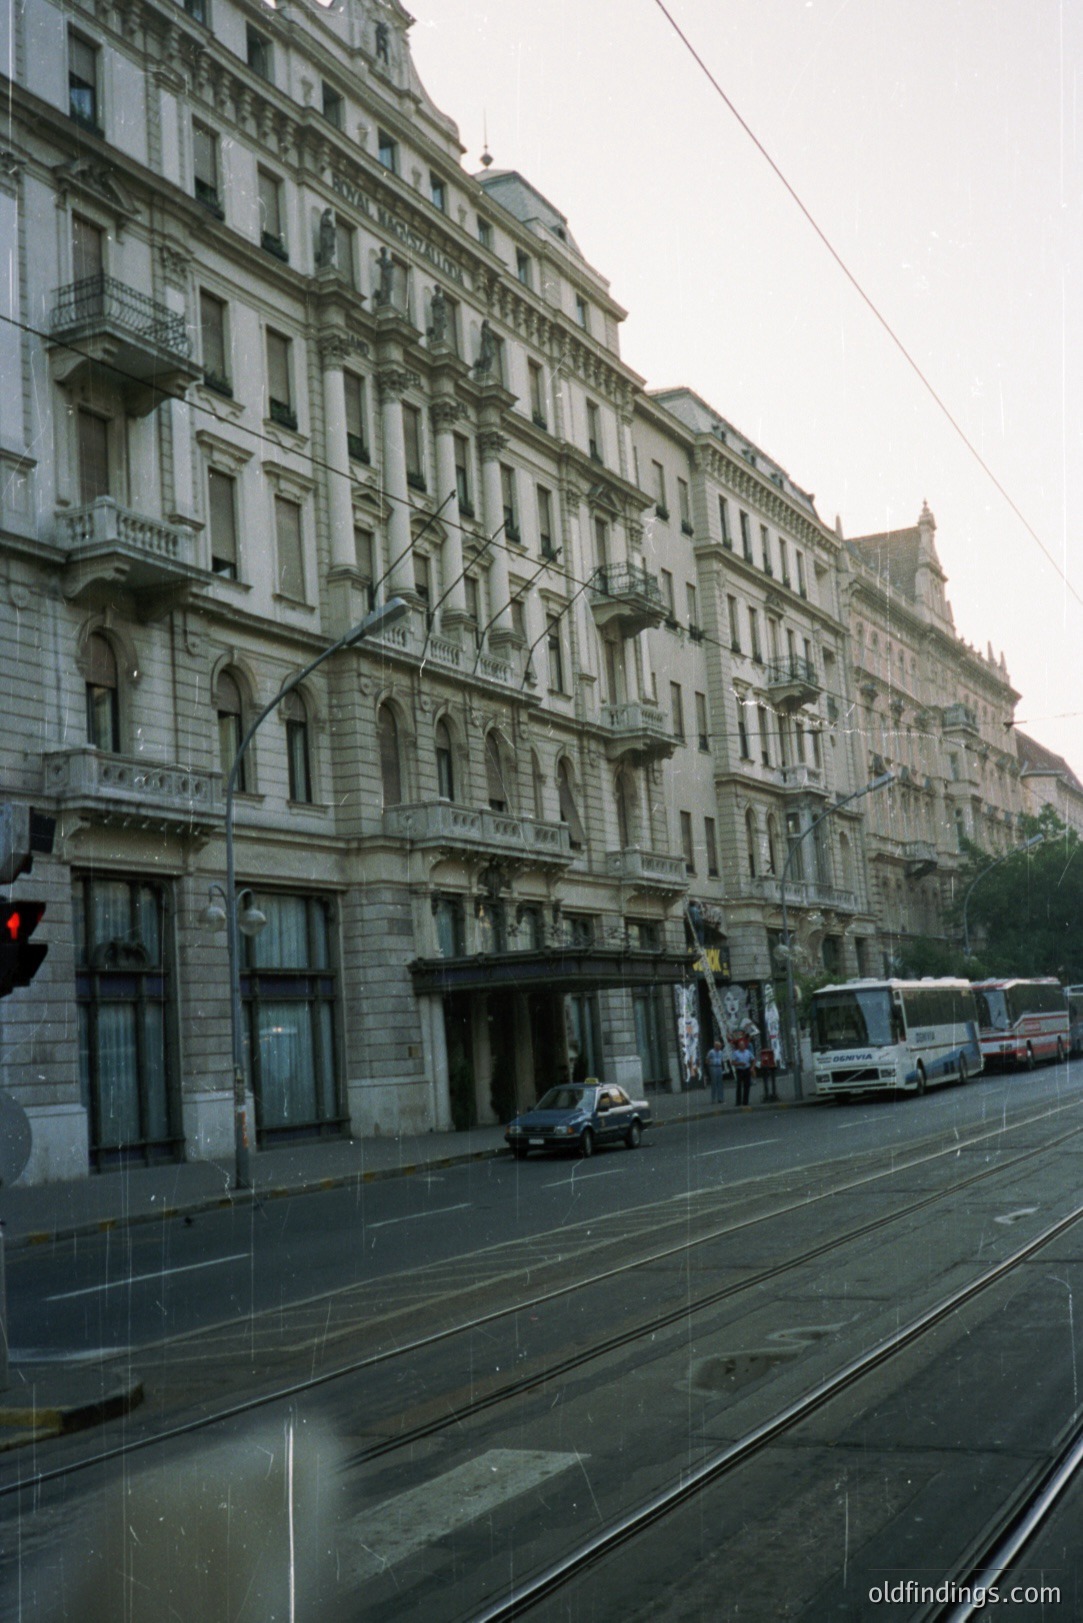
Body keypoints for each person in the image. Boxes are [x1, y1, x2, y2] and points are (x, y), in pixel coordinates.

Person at [731, 1033, 755, 1107]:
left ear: (745, 1046)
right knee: (739, 1086)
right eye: (741, 1045)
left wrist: (752, 1067)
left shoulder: (748, 1052)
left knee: (747, 1086)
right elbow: (733, 1062)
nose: (742, 1047)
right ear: (739, 1046)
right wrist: (739, 1063)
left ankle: (745, 1101)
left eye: (743, 1045)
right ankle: (738, 1102)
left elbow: (753, 1059)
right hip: (740, 1070)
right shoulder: (736, 1053)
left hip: (747, 1069)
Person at [705, 1038, 727, 1104]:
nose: (720, 1047)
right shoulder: (711, 1052)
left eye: (720, 1046)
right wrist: (710, 1065)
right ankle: (713, 1099)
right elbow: (707, 1060)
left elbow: (722, 1059)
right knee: (714, 1083)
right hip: (713, 1067)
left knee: (720, 1083)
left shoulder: (721, 1052)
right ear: (715, 1046)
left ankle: (720, 1098)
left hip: (719, 1067)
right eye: (718, 1046)